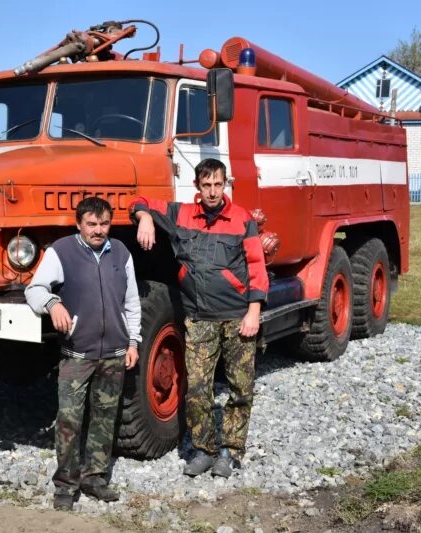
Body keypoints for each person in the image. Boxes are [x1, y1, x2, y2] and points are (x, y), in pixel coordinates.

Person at [129, 158, 268, 478]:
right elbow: (139, 200)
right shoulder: (181, 215)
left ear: (225, 185)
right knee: (197, 389)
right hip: (199, 320)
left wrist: (254, 311)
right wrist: (145, 217)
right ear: (197, 187)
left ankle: (231, 452)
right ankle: (204, 449)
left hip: (237, 320)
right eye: (206, 185)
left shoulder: (242, 220)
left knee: (240, 389)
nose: (213, 191)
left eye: (218, 185)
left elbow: (257, 267)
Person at [25, 196, 141, 510]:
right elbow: (34, 290)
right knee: (69, 421)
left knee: (104, 420)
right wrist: (53, 304)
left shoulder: (121, 252)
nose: (98, 230)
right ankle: (65, 486)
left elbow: (132, 303)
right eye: (92, 224)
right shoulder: (61, 252)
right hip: (77, 355)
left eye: (104, 224)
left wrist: (133, 343)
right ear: (79, 224)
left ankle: (95, 479)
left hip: (115, 353)